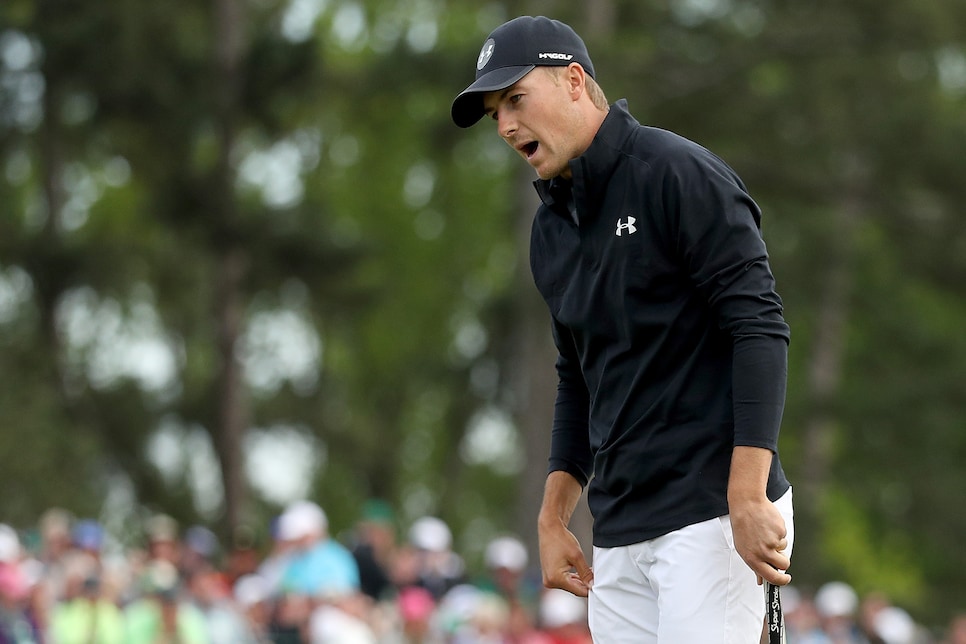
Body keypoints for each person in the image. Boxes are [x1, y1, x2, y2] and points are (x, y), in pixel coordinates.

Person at [451, 15, 795, 642]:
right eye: (496, 112)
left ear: (574, 82)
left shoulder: (675, 173)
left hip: (712, 515)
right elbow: (577, 379)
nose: (504, 126)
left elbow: (759, 327)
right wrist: (555, 516)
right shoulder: (549, 231)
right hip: (618, 532)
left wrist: (748, 495)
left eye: (515, 100)